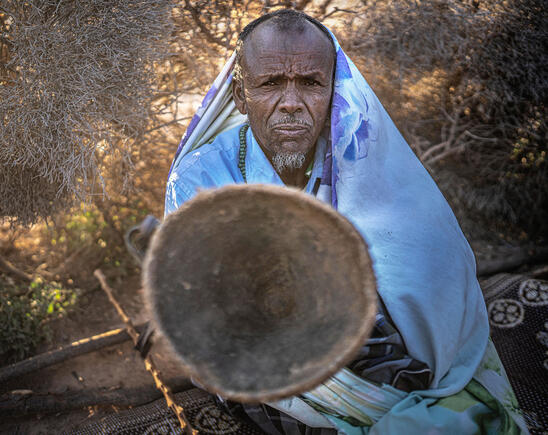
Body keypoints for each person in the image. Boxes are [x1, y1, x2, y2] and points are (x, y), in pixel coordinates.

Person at [164, 9, 527, 435]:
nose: (292, 103)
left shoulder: (359, 153)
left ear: (334, 91)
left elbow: (424, 254)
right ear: (241, 96)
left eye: (311, 83)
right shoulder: (200, 179)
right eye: (270, 84)